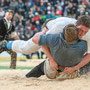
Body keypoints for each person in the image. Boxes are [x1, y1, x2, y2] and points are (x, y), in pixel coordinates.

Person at [1, 15, 90, 72]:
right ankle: (6, 44)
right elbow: (43, 42)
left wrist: (75, 68)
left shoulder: (88, 35)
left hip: (60, 31)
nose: (81, 34)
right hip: (49, 27)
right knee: (26, 49)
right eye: (80, 30)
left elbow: (89, 55)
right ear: (75, 25)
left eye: (85, 32)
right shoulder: (60, 27)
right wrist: (52, 60)